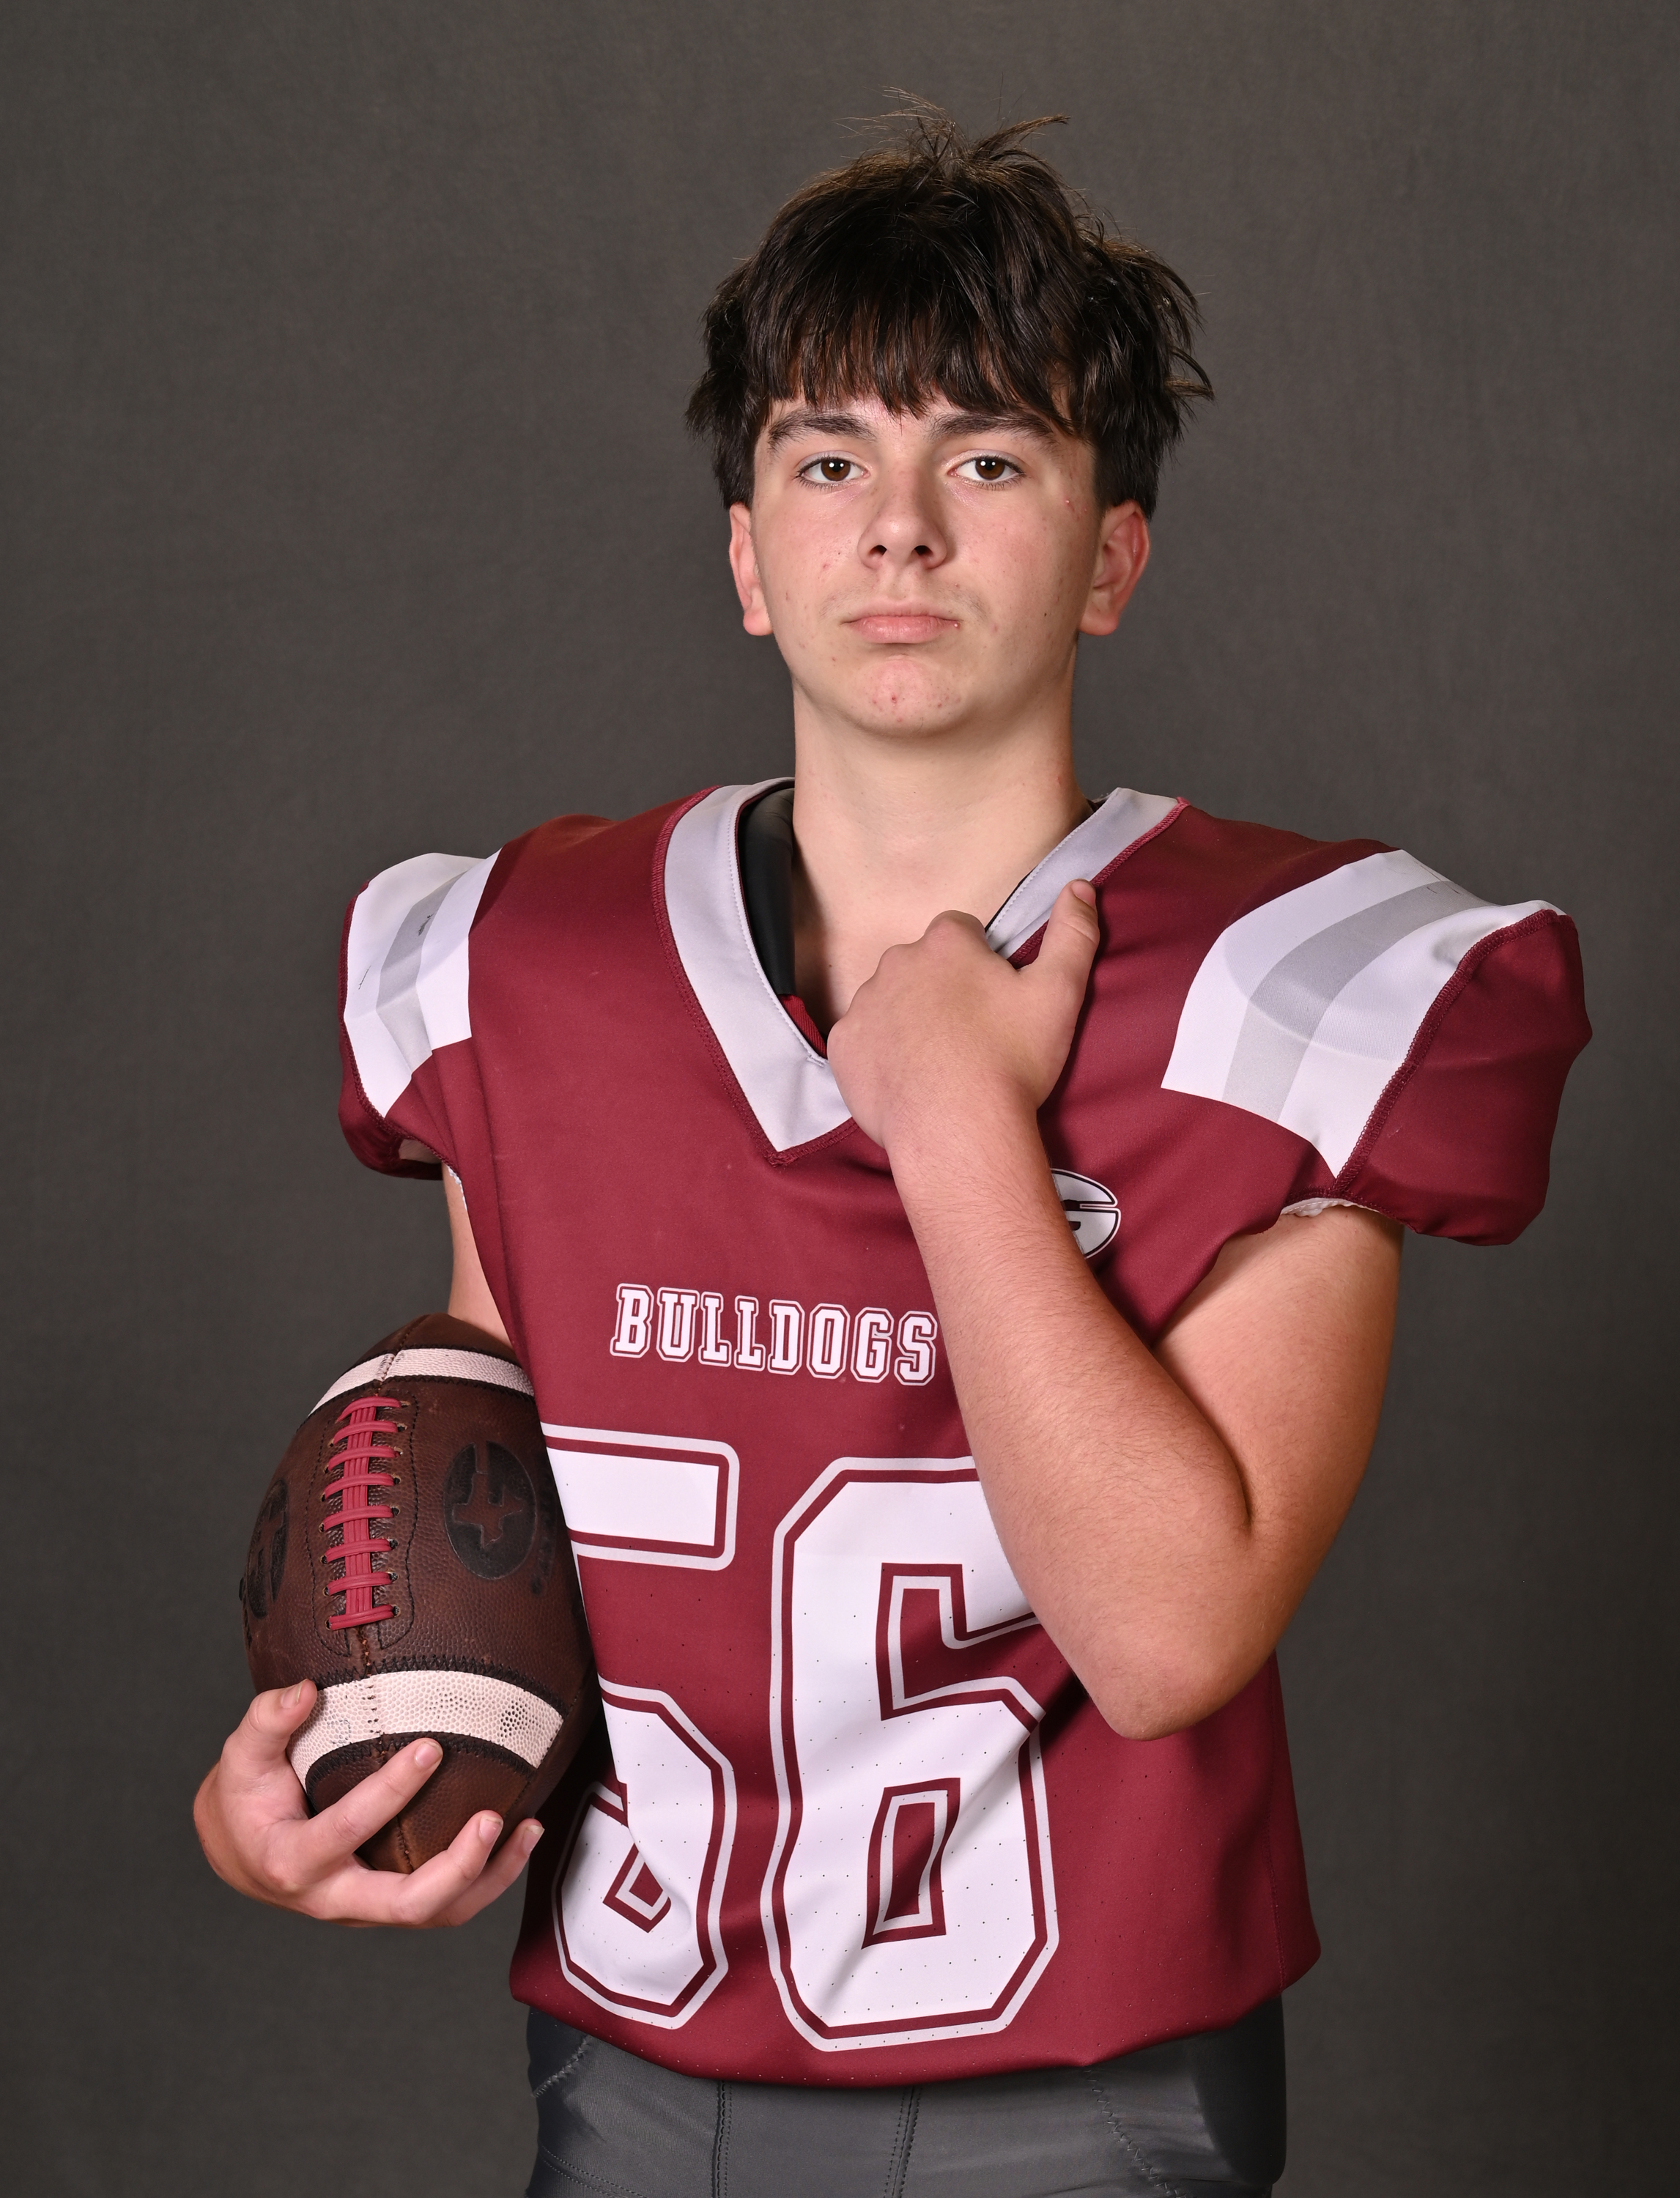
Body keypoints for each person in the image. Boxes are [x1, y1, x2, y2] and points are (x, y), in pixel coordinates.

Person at [195, 115, 1589, 2195]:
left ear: (1112, 557)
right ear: (749, 555)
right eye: (829, 460)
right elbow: (488, 1462)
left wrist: (953, 1126)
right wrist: (342, 1756)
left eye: (992, 460)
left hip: (1086, 2088)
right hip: (631, 2053)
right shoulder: (520, 969)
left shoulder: (1285, 997)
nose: (903, 532)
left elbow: (1167, 1637)